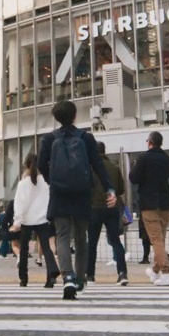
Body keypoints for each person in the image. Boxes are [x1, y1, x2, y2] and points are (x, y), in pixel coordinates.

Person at [38, 100, 116, 301]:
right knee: (82, 237)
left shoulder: (48, 139)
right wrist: (109, 188)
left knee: (62, 235)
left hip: (59, 193)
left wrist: (52, 181)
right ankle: (81, 278)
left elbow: (40, 165)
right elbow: (97, 164)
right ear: (74, 116)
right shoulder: (86, 138)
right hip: (82, 192)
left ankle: (68, 277)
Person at [129, 131, 169, 286]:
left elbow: (133, 178)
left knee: (156, 239)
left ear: (149, 142)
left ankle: (166, 273)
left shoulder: (143, 158)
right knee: (160, 239)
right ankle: (155, 271)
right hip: (165, 203)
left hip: (149, 203)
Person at [11, 153, 59, 287]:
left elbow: (19, 203)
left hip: (27, 220)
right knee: (46, 247)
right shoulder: (46, 181)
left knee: (24, 250)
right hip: (43, 219)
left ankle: (23, 279)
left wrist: (17, 221)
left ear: (26, 165)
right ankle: (51, 274)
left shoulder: (22, 184)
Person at [86, 141, 128, 286]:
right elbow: (121, 189)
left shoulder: (90, 168)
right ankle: (122, 273)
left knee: (92, 243)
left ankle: (90, 275)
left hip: (94, 209)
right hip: (112, 208)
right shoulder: (114, 167)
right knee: (115, 240)